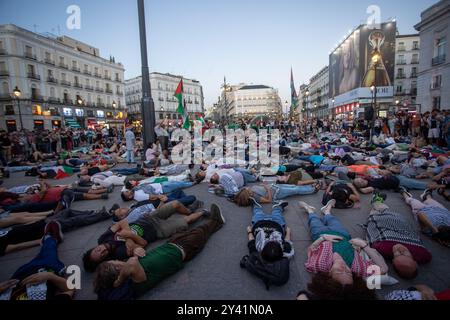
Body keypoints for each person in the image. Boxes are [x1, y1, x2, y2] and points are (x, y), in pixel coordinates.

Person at [93, 205, 225, 300]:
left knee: (188, 231)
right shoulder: (135, 283)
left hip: (169, 246)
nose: (119, 261)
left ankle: (199, 211)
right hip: (180, 252)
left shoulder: (127, 276)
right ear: (119, 272)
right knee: (201, 232)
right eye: (116, 262)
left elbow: (102, 292)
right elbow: (132, 263)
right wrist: (120, 279)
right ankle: (217, 221)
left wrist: (135, 251)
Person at [82, 201, 210, 272]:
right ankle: (202, 213)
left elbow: (122, 222)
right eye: (102, 254)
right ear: (105, 259)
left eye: (98, 250)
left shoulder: (103, 239)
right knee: (186, 221)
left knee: (176, 204)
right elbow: (143, 243)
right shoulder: (119, 254)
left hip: (148, 218)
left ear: (94, 247)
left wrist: (128, 237)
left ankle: (190, 209)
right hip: (157, 230)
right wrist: (131, 235)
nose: (103, 250)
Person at [299, 199, 388, 287]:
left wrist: (323, 238)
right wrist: (364, 245)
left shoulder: (320, 266)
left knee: (313, 220)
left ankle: (309, 209)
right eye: (348, 273)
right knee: (332, 220)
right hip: (342, 235)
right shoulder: (357, 269)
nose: (344, 268)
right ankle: (327, 210)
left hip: (320, 234)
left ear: (329, 274)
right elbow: (383, 269)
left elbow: (311, 249)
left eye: (339, 271)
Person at [364, 192, 432, 279]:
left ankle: (376, 201)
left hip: (381, 221)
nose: (400, 250)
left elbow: (372, 237)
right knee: (386, 210)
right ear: (415, 261)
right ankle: (378, 203)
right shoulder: (423, 255)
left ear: (393, 260)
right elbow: (427, 256)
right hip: (399, 222)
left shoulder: (382, 248)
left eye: (397, 254)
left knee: (375, 212)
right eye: (405, 254)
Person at [0, 221, 75, 300]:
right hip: (46, 270)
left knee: (42, 254)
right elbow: (70, 289)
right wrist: (50, 276)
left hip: (18, 277)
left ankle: (48, 238)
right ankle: (51, 238)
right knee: (49, 251)